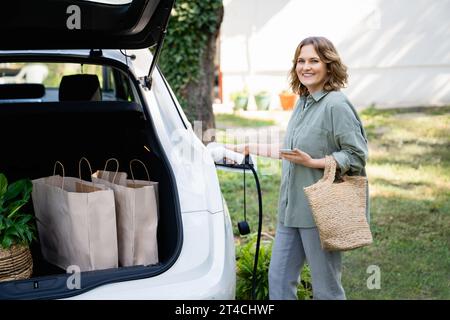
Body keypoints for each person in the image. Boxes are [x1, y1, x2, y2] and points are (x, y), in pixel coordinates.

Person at [225, 36, 369, 300]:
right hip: (291, 210)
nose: (306, 66)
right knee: (278, 281)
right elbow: (294, 149)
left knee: (326, 290)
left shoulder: (336, 105)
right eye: (301, 61)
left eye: (314, 60)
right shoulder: (303, 101)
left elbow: (356, 155)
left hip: (321, 213)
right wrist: (250, 147)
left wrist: (313, 163)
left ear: (329, 65)